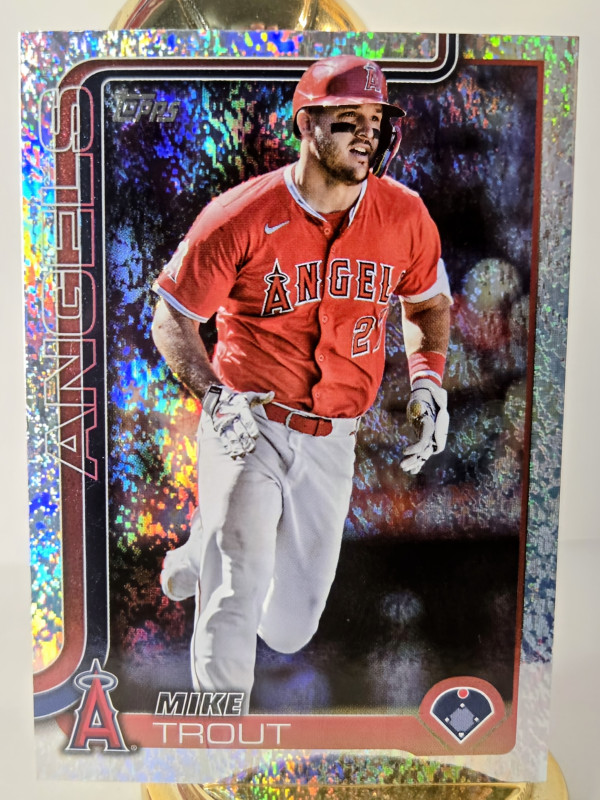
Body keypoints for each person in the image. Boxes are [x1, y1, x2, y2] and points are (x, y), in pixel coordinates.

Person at [151, 54, 451, 711]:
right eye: (349, 118)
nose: (368, 133)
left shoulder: (405, 215)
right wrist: (216, 398)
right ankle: (220, 732)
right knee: (238, 583)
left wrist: (429, 384)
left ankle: (202, 542)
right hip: (248, 418)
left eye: (376, 119)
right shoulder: (239, 213)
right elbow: (172, 318)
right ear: (306, 124)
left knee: (290, 626)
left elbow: (428, 304)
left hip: (333, 436)